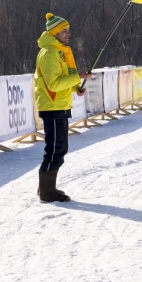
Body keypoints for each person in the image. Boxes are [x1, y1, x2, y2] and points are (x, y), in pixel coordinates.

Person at [35, 13, 92, 202]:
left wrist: (76, 87)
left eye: (68, 30)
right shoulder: (50, 53)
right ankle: (46, 191)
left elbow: (64, 77)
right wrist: (78, 78)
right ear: (55, 32)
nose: (68, 34)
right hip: (52, 106)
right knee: (55, 149)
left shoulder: (60, 50)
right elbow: (53, 84)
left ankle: (47, 188)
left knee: (59, 148)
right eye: (64, 30)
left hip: (60, 105)